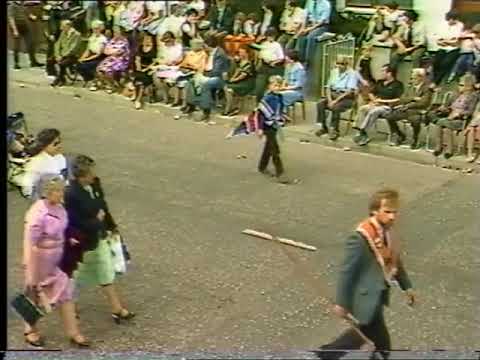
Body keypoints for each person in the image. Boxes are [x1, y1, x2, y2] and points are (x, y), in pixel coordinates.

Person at [321, 188, 415, 354]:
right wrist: (342, 303)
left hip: (377, 295)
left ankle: (324, 354)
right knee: (379, 343)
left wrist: (407, 286)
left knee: (374, 340)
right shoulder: (360, 237)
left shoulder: (388, 231)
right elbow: (347, 272)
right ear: (374, 210)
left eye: (395, 212)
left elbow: (394, 260)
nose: (392, 216)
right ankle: (323, 355)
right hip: (366, 297)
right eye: (387, 212)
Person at [60, 155, 135, 324]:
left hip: (98, 237)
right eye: (90, 173)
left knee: (105, 270)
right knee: (75, 276)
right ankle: (70, 306)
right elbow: (73, 221)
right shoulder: (71, 194)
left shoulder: (95, 184)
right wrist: (97, 222)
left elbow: (103, 205)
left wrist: (111, 225)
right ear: (81, 175)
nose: (94, 175)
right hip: (83, 242)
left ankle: (117, 309)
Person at [23, 175, 90, 348]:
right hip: (41, 260)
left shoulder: (60, 208)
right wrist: (31, 270)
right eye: (57, 191)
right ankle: (30, 330)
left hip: (58, 258)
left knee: (65, 292)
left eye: (61, 190)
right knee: (36, 296)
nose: (61, 194)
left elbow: (63, 229)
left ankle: (73, 332)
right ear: (47, 192)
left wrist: (70, 239)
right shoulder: (37, 214)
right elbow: (30, 242)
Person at [182, 36, 231, 122]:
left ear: (209, 45)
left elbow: (217, 71)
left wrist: (205, 76)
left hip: (218, 78)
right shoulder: (209, 52)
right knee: (191, 82)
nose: (204, 47)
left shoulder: (220, 54)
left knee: (205, 85)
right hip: (208, 74)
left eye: (205, 45)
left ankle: (205, 111)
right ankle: (191, 105)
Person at [354, 64, 404, 146]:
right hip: (376, 104)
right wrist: (374, 101)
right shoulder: (380, 82)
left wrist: (382, 101)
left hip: (388, 107)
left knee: (374, 111)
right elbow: (371, 93)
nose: (381, 73)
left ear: (389, 73)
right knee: (363, 108)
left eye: (383, 71)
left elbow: (398, 99)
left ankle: (362, 131)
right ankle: (363, 134)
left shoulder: (398, 85)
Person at [430, 74, 478, 159]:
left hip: (462, 120)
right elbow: (449, 106)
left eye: (461, 85)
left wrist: (459, 113)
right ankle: (444, 149)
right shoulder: (456, 94)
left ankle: (443, 148)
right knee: (445, 126)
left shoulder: (473, 96)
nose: (459, 86)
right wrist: (445, 109)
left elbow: (470, 111)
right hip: (450, 118)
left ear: (469, 86)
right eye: (459, 84)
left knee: (441, 122)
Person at [315, 56, 361, 141]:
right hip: (333, 94)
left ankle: (335, 130)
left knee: (336, 107)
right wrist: (329, 100)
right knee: (320, 103)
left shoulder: (352, 74)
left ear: (346, 65)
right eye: (338, 63)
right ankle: (323, 127)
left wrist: (335, 101)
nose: (339, 66)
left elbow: (349, 91)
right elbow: (328, 87)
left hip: (346, 97)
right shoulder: (334, 72)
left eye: (342, 64)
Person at [385, 68, 432, 148]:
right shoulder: (409, 87)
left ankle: (415, 138)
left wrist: (409, 105)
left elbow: (423, 103)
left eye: (414, 78)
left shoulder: (427, 89)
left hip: (417, 111)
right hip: (406, 110)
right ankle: (399, 135)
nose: (412, 80)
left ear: (420, 78)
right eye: (411, 78)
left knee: (415, 120)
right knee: (389, 116)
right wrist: (413, 98)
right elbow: (402, 99)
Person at [14, 128, 67, 199]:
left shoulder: (59, 157)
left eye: (59, 142)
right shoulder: (35, 164)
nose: (59, 145)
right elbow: (27, 190)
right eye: (55, 144)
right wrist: (43, 198)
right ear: (44, 146)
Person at [257, 75, 291, 184]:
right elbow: (261, 114)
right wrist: (260, 128)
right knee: (274, 149)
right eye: (275, 85)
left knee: (269, 147)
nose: (277, 87)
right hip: (267, 125)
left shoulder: (279, 97)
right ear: (270, 86)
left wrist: (284, 116)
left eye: (279, 85)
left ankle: (262, 166)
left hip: (275, 125)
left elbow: (279, 110)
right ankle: (280, 173)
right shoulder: (267, 98)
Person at [431, 11, 464, 87]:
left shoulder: (460, 25)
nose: (451, 21)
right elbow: (437, 36)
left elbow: (456, 40)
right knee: (435, 62)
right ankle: (435, 79)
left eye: (453, 19)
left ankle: (436, 82)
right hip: (442, 47)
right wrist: (440, 41)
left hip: (453, 49)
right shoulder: (442, 25)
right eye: (449, 19)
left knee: (445, 63)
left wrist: (446, 41)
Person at [95, 26, 130, 93]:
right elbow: (105, 51)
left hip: (121, 60)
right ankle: (108, 84)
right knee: (99, 69)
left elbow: (119, 52)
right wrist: (111, 52)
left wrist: (111, 52)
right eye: (114, 32)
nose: (115, 34)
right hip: (111, 58)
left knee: (108, 70)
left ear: (121, 33)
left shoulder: (124, 41)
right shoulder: (113, 40)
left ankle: (111, 85)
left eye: (117, 32)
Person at [8, 0, 43, 70]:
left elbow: (26, 12)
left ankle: (33, 62)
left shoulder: (21, 4)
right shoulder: (12, 6)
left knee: (30, 42)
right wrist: (15, 30)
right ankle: (16, 63)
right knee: (16, 45)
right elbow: (11, 18)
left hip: (24, 26)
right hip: (16, 26)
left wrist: (32, 16)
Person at [253, 27, 285, 102]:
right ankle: (259, 105)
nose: (271, 38)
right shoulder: (263, 44)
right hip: (263, 66)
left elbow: (281, 57)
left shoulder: (277, 45)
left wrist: (274, 62)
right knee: (259, 88)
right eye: (269, 36)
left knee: (273, 88)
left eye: (272, 36)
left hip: (273, 67)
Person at [152, 31, 184, 103]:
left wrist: (172, 62)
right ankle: (165, 97)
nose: (166, 43)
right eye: (165, 42)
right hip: (166, 67)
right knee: (156, 76)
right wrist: (162, 62)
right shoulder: (165, 48)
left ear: (173, 39)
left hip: (176, 67)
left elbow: (180, 58)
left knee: (173, 77)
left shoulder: (178, 47)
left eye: (168, 41)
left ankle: (176, 100)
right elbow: (161, 58)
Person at [295, 0, 331, 64]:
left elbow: (322, 21)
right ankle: (300, 60)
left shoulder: (326, 4)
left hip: (321, 26)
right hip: (310, 24)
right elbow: (305, 16)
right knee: (301, 35)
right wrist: (302, 29)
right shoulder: (309, 2)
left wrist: (309, 29)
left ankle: (308, 61)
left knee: (310, 37)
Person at [223, 46, 255, 116]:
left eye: (242, 52)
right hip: (238, 82)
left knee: (228, 88)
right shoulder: (239, 61)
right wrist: (232, 78)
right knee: (226, 87)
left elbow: (243, 75)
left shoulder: (249, 63)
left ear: (247, 53)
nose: (240, 54)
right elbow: (237, 71)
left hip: (246, 83)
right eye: (239, 52)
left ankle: (229, 108)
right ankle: (231, 107)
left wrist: (233, 80)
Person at [50, 20, 82, 87]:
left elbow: (73, 48)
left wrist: (62, 56)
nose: (61, 28)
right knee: (50, 61)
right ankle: (60, 78)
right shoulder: (63, 33)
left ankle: (59, 79)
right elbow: (57, 44)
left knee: (62, 64)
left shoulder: (76, 35)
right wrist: (57, 55)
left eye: (63, 26)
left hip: (72, 55)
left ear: (68, 26)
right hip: (61, 54)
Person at [77, 20, 108, 87]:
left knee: (86, 66)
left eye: (97, 29)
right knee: (78, 64)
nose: (95, 30)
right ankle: (89, 79)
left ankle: (95, 80)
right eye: (94, 29)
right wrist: (82, 58)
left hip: (99, 57)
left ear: (101, 29)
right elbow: (88, 50)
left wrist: (86, 59)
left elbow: (98, 54)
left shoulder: (103, 39)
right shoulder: (92, 37)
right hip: (91, 54)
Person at [132, 32, 157, 110]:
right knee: (137, 80)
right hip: (140, 68)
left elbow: (154, 61)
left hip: (149, 69)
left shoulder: (153, 49)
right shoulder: (140, 48)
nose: (147, 41)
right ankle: (136, 95)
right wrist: (139, 68)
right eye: (146, 39)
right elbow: (137, 59)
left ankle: (138, 100)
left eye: (149, 39)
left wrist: (146, 69)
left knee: (141, 83)